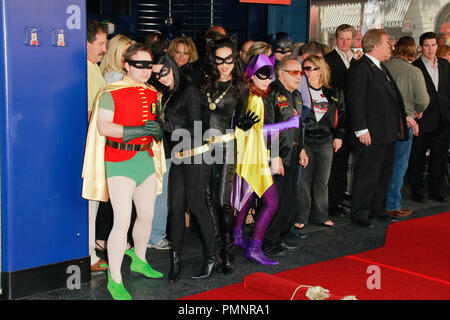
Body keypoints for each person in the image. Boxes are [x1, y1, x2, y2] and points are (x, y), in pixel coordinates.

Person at [82, 43, 166, 300]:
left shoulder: (153, 93)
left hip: (145, 159)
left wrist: (159, 131)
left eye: (148, 65)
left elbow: (155, 125)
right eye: (139, 64)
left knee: (147, 215)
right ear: (125, 65)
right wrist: (140, 132)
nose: (145, 70)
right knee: (121, 220)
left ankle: (139, 259)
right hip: (118, 160)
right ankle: (115, 279)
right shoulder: (110, 92)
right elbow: (104, 127)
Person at [149, 53, 218, 282]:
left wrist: (165, 125)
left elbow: (198, 128)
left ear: (172, 67)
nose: (161, 77)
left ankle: (212, 257)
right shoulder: (168, 93)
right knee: (175, 207)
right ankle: (175, 261)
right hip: (179, 155)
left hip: (198, 153)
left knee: (196, 205)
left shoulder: (189, 89)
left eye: (164, 72)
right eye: (156, 74)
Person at [232, 54, 300, 265]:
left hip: (249, 155)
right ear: (251, 75)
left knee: (247, 197)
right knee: (271, 202)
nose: (266, 79)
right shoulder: (254, 97)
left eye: (268, 75)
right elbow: (260, 130)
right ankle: (254, 247)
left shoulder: (253, 95)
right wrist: (288, 124)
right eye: (261, 75)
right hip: (253, 156)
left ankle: (236, 237)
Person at [200, 37, 257, 275]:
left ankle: (227, 251)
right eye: (220, 60)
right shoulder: (202, 82)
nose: (225, 65)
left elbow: (242, 118)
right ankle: (211, 252)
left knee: (221, 202)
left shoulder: (241, 87)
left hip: (226, 146)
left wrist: (243, 124)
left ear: (235, 59)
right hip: (200, 147)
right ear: (213, 60)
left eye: (229, 60)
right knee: (205, 201)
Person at [346, 29, 408, 229]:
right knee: (367, 174)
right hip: (371, 133)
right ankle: (360, 213)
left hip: (386, 132)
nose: (389, 46)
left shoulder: (380, 67)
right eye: (386, 43)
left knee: (383, 174)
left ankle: (377, 209)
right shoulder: (361, 68)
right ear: (375, 46)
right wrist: (361, 130)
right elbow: (355, 101)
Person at [263, 55, 308, 257]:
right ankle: (267, 241)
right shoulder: (271, 94)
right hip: (278, 156)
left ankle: (280, 237)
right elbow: (268, 127)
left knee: (289, 199)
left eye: (300, 72)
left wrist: (303, 148)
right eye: (293, 72)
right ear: (280, 73)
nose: (299, 76)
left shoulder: (296, 95)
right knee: (275, 201)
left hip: (293, 154)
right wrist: (274, 156)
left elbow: (300, 125)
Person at [294, 55, 345, 229]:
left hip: (325, 140)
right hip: (305, 140)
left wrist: (339, 136)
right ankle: (301, 216)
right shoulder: (298, 92)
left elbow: (342, 116)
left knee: (322, 181)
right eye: (305, 69)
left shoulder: (334, 92)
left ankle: (321, 215)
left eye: (311, 68)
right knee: (303, 182)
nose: (307, 72)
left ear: (321, 69)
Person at [384, 36, 429, 217]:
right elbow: (423, 100)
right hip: (405, 123)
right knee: (398, 165)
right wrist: (416, 111)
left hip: (383, 123)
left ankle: (379, 202)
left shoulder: (383, 67)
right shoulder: (414, 72)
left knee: (382, 164)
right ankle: (393, 204)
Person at [408, 32, 450, 203]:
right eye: (427, 45)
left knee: (439, 157)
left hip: (444, 118)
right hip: (423, 119)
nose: (430, 49)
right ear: (421, 47)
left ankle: (436, 190)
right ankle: (417, 191)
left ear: (437, 46)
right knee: (417, 158)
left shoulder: (446, 65)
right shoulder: (415, 66)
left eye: (433, 45)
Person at [324, 24, 356, 217]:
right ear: (335, 39)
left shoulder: (356, 60)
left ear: (354, 40)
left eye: (348, 39)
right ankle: (332, 203)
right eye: (341, 39)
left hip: (353, 119)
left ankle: (341, 197)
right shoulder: (328, 61)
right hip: (336, 119)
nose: (344, 42)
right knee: (336, 163)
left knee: (344, 163)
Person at [86, 19, 108, 272]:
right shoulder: (88, 68)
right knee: (92, 197)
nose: (104, 48)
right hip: (94, 142)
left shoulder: (94, 67)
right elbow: (93, 111)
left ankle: (90, 251)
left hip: (96, 141)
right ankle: (90, 253)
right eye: (100, 43)